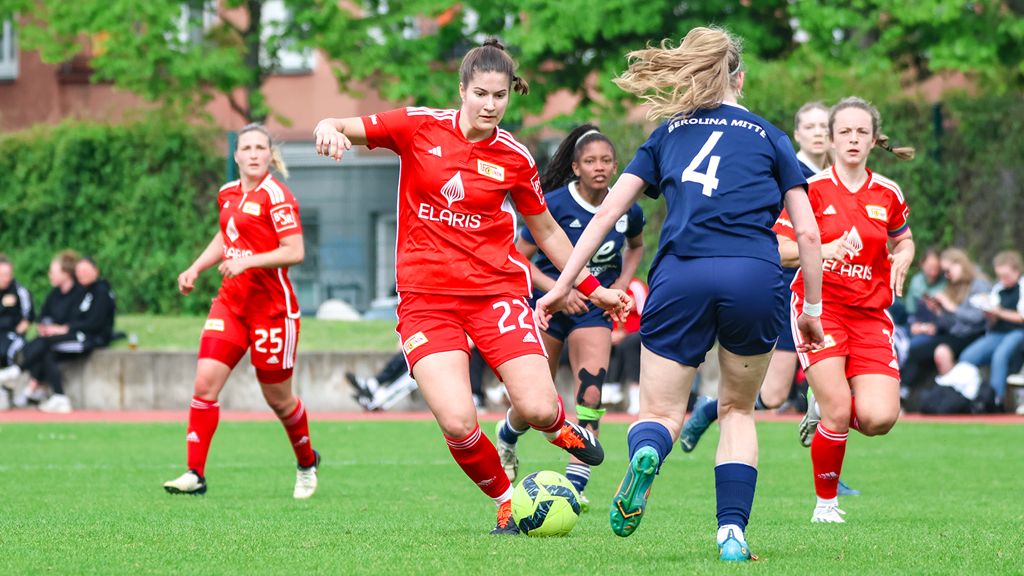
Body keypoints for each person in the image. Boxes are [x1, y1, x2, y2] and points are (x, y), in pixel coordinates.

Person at [312, 39, 630, 535]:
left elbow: (546, 231)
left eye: (499, 96)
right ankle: (506, 500)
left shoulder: (514, 158)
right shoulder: (417, 126)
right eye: (480, 93)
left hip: (496, 294)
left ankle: (557, 426)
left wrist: (593, 286)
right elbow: (339, 125)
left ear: (509, 96)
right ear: (461, 90)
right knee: (459, 421)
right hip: (426, 301)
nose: (489, 104)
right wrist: (325, 129)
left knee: (538, 406)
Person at [535, 27, 824, 560]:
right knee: (737, 410)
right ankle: (731, 535)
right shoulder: (769, 136)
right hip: (754, 277)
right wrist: (811, 308)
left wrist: (564, 285)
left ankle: (649, 454)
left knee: (661, 413)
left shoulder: (668, 134)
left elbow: (606, 215)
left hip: (681, 277)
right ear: (739, 77)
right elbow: (807, 233)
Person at [774, 96, 916, 523]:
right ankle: (826, 504)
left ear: (874, 140)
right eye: (844, 132)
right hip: (821, 309)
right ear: (831, 140)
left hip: (871, 314)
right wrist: (823, 248)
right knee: (838, 408)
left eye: (861, 132)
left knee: (878, 418)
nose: (853, 139)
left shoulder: (888, 192)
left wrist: (905, 255)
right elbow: (778, 248)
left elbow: (902, 238)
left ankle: (823, 409)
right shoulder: (810, 191)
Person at [163, 123, 321, 500]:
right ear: (236, 156)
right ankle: (195, 473)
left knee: (278, 400)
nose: (252, 154)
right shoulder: (228, 193)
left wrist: (249, 262)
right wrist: (195, 267)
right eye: (246, 148)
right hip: (231, 304)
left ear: (269, 156)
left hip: (272, 311)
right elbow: (226, 234)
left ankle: (306, 462)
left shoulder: (277, 197)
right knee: (204, 384)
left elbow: (294, 250)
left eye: (259, 148)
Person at [496, 124, 645, 511]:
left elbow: (636, 246)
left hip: (594, 310)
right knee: (535, 402)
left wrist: (621, 285)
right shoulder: (556, 204)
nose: (600, 167)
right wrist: (558, 291)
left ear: (615, 167)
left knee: (590, 393)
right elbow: (519, 257)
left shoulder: (628, 209)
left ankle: (575, 484)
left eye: (606, 161)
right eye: (591, 161)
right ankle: (509, 434)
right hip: (549, 307)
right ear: (576, 167)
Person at [936, 250, 1024, 408]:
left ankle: (996, 401)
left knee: (1000, 355)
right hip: (998, 332)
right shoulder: (998, 289)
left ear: (1016, 271)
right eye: (1000, 276)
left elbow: (1021, 317)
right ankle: (970, 396)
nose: (1003, 280)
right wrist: (989, 313)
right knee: (968, 356)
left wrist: (998, 312)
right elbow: (992, 321)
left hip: (1018, 331)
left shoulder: (1022, 287)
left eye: (1006, 276)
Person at [0, 250, 85, 412]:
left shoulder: (79, 294)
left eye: (53, 272)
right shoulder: (54, 294)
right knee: (43, 346)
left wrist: (60, 329)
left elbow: (81, 323)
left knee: (41, 346)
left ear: (66, 273)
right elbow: (43, 317)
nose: (49, 275)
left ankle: (18, 377)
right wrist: (45, 327)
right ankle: (36, 388)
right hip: (51, 338)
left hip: (78, 339)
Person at [900, 248, 989, 397]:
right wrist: (939, 311)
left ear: (959, 265)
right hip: (956, 334)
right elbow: (951, 324)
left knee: (935, 350)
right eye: (944, 272)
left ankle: (948, 395)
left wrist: (951, 307)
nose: (946, 275)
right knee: (916, 351)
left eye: (948, 271)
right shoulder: (954, 286)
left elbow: (978, 318)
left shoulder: (979, 285)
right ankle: (905, 391)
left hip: (974, 335)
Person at [0, 254, 34, 407]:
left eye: (8, 274)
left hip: (12, 334)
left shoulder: (19, 291)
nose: (5, 278)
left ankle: (8, 386)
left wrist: (23, 326)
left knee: (8, 350)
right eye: (2, 274)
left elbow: (29, 315)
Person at [903, 247, 946, 317]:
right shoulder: (916, 280)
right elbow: (910, 308)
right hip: (917, 318)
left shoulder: (945, 282)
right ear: (922, 264)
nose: (933, 272)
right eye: (930, 267)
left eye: (936, 267)